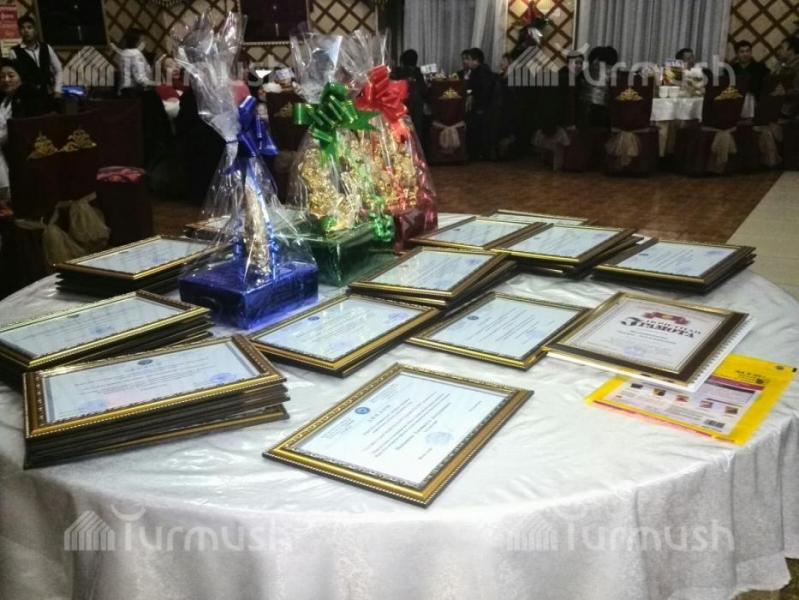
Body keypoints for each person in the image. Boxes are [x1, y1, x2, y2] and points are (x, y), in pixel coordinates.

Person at [0, 59, 46, 202]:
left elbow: (25, 125)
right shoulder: (4, 99)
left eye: (11, 75)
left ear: (20, 77)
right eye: (2, 76)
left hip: (20, 139)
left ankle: (6, 194)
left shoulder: (28, 95)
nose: (6, 80)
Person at [9, 15, 62, 103]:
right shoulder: (14, 52)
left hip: (48, 95)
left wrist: (58, 90)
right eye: (22, 28)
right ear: (19, 32)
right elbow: (14, 76)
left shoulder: (46, 47)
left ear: (35, 30)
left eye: (29, 27)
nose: (26, 31)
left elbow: (58, 69)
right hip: (27, 98)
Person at [115, 29, 154, 95]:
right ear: (135, 42)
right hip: (135, 93)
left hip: (126, 92)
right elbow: (140, 79)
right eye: (143, 40)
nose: (146, 43)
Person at [774, 37, 799, 118]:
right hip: (780, 109)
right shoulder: (783, 65)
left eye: (782, 48)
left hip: (792, 113)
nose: (778, 51)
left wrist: (785, 92)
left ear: (791, 50)